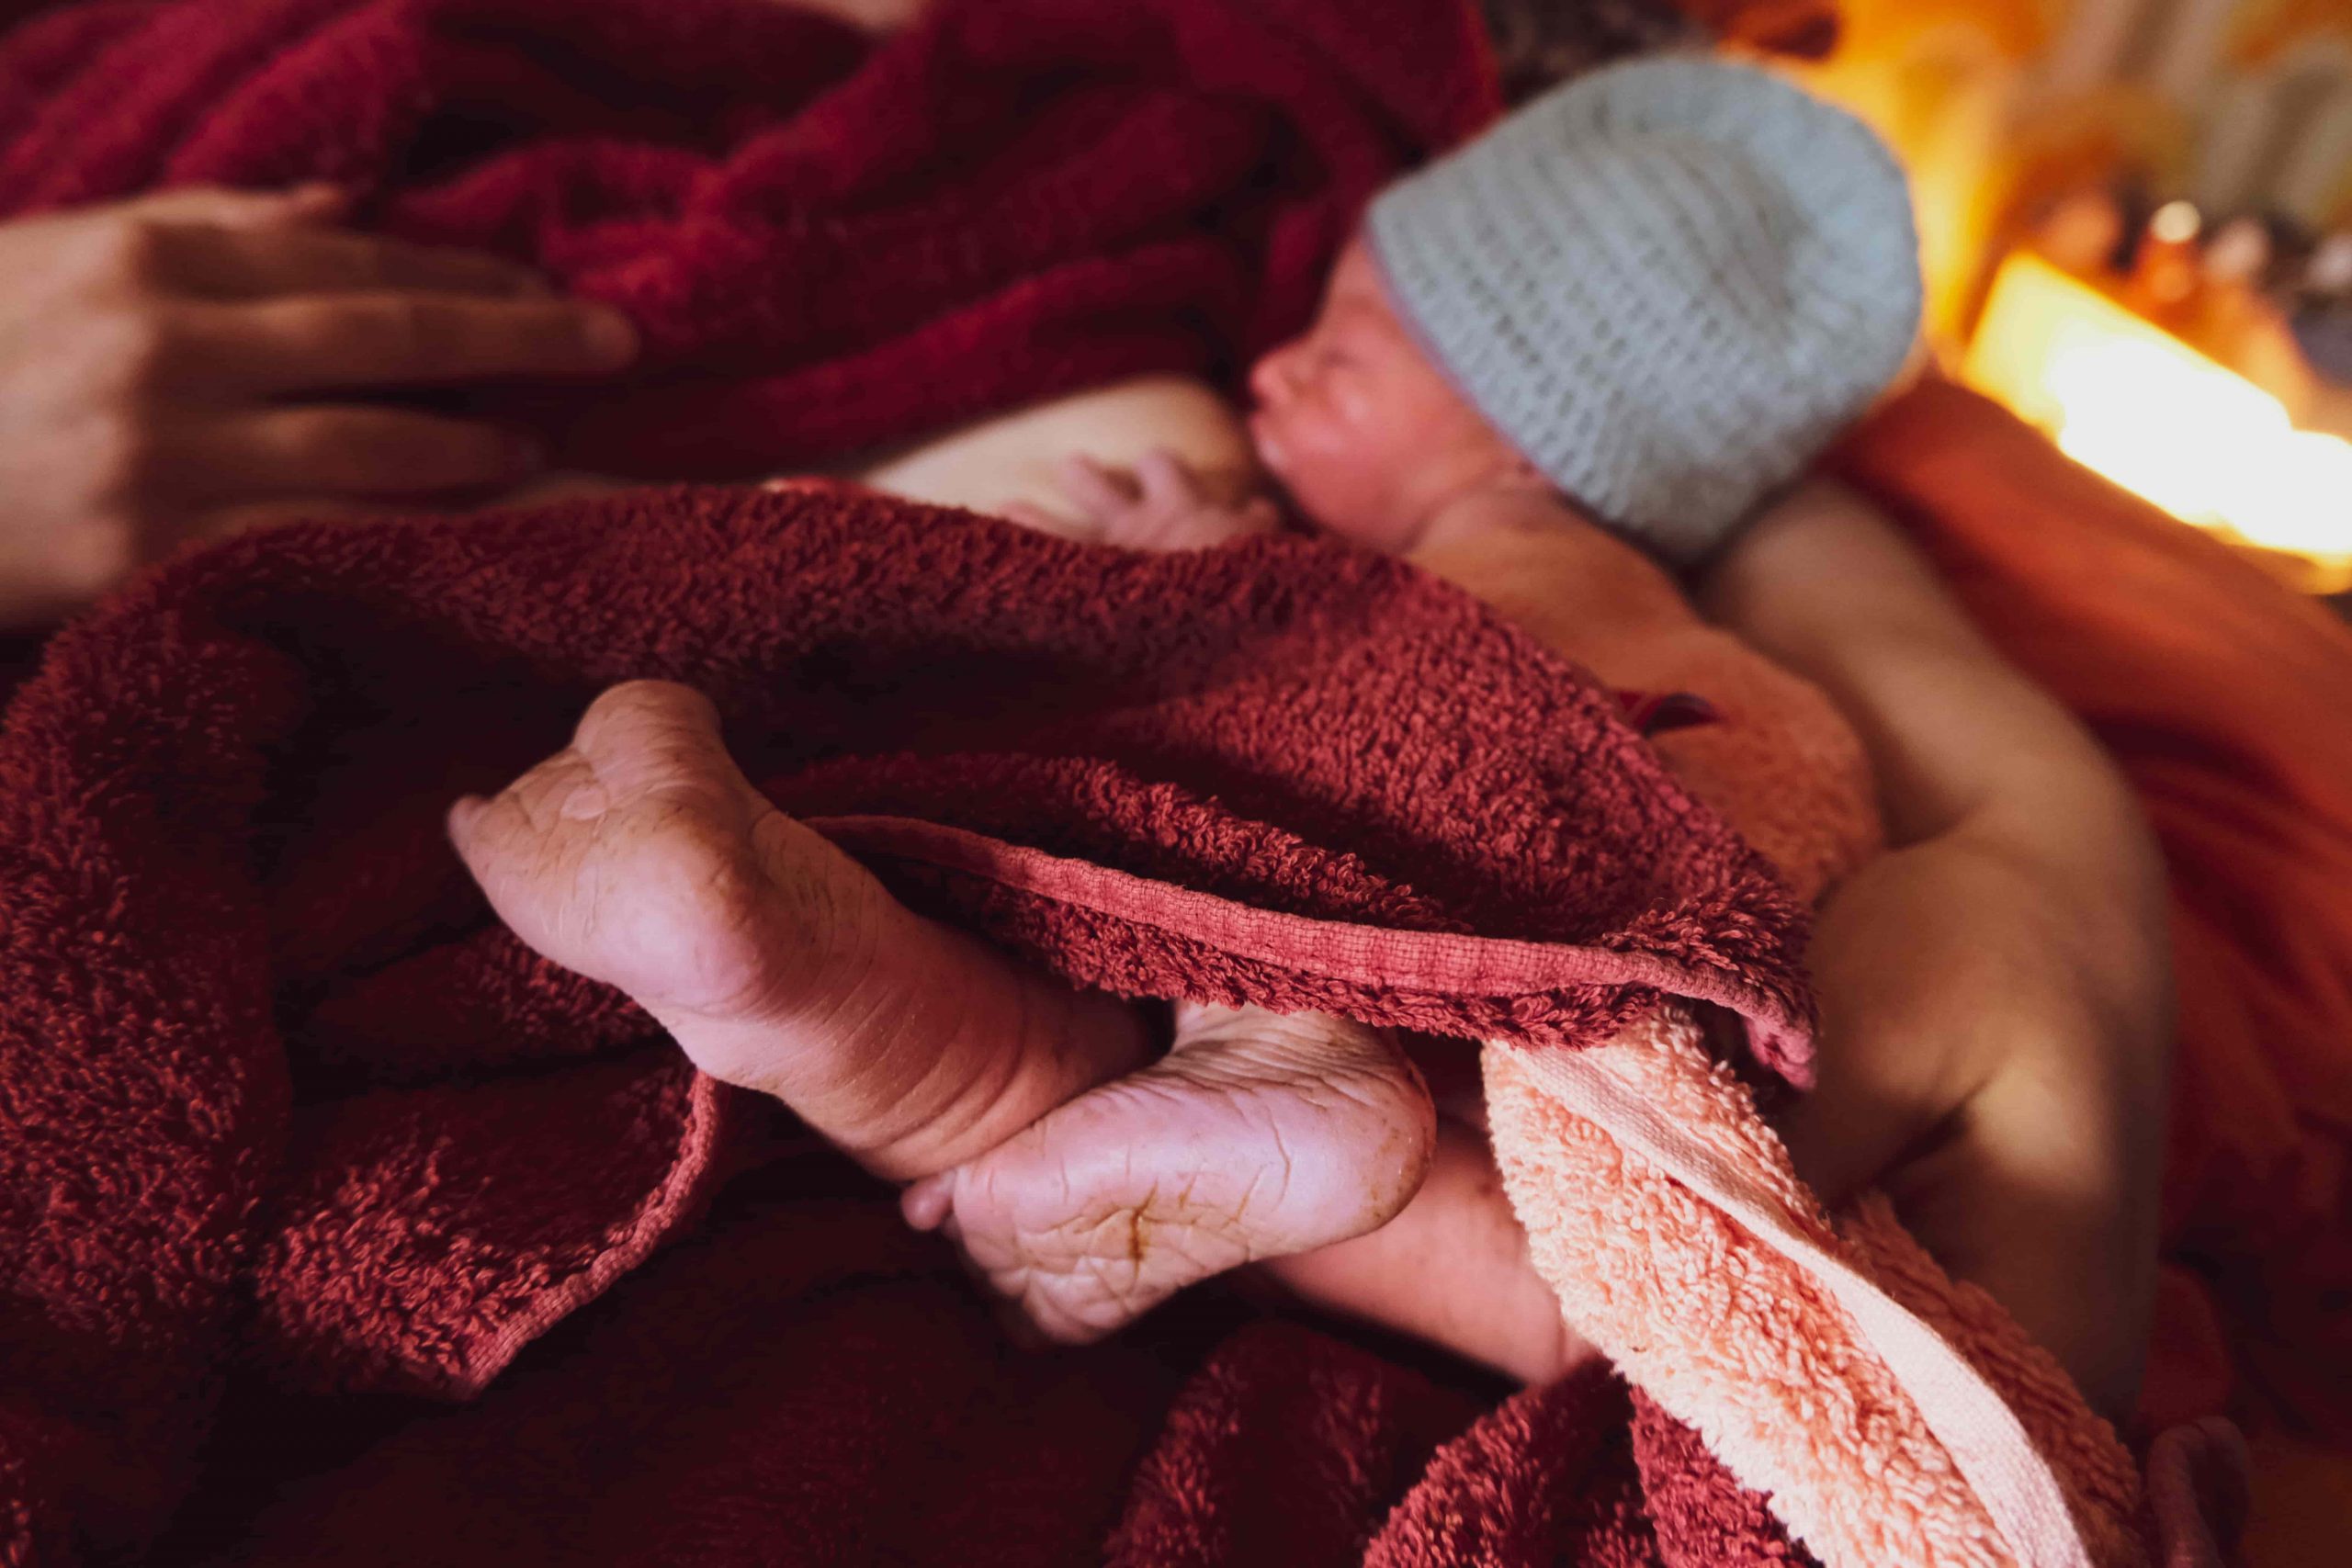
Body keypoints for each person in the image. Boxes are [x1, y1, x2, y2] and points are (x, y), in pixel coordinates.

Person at [445, 58, 2174, 1419]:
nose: (1272, 371)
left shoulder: (1483, 580)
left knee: (1255, 803)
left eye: (1343, 354)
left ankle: (1232, 1050)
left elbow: (1343, 690)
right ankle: (986, 1056)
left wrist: (1199, 568)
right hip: (1740, 862)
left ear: (1523, 447)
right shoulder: (1689, 613)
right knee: (1611, 1288)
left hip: (1584, 799)